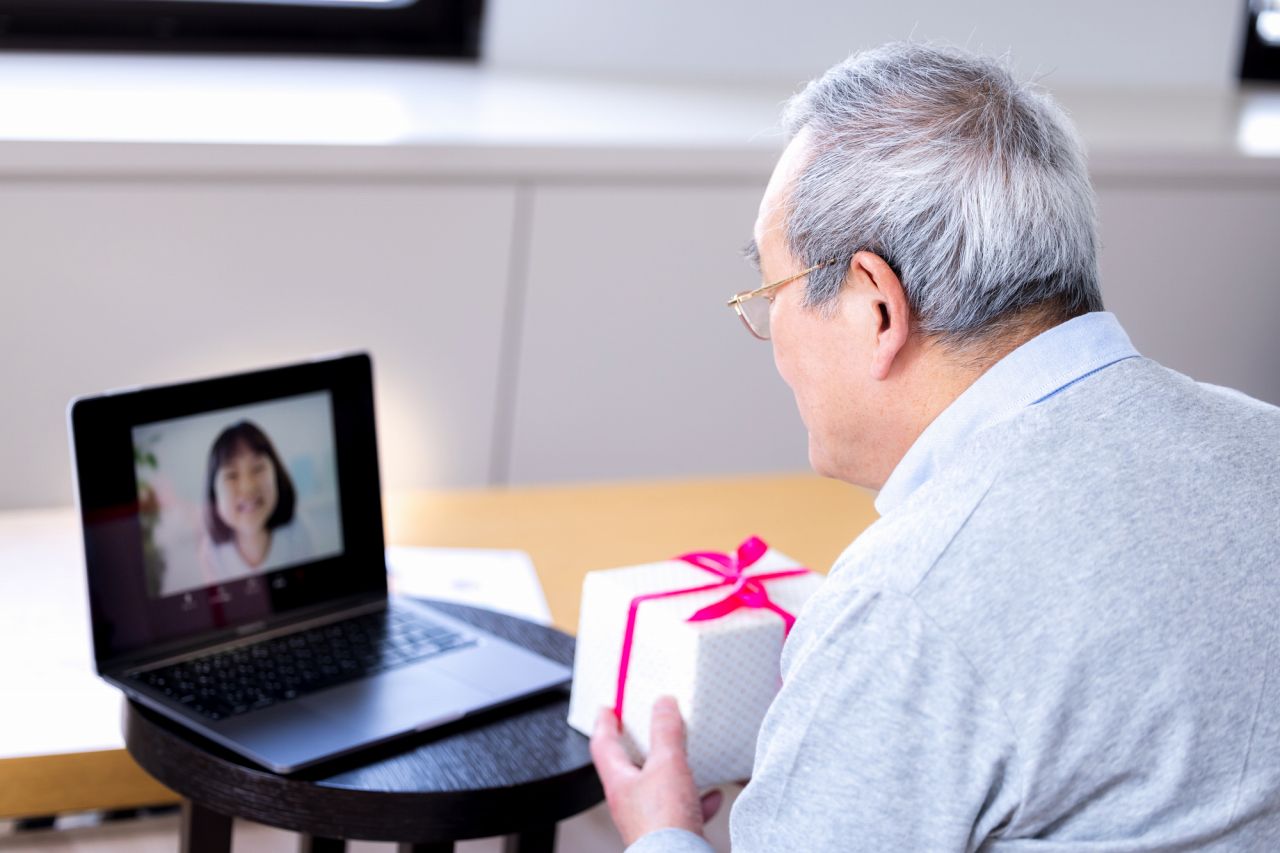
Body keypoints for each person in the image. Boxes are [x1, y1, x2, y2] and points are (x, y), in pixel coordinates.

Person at [590, 43, 1280, 851]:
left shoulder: (908, 602)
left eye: (770, 293)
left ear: (877, 308)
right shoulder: (1264, 436)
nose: (768, 336)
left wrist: (661, 834)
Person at [199, 420, 314, 584]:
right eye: (231, 475)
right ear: (214, 495)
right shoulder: (211, 552)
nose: (248, 487)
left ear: (277, 475)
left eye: (258, 468)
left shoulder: (298, 529)